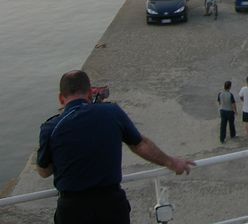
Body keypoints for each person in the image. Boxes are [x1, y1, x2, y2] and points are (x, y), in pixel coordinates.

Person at [35, 69, 194, 224]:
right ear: (90, 93)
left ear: (61, 98)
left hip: (72, 210)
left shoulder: (51, 128)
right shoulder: (112, 112)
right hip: (111, 205)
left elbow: (44, 172)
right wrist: (172, 162)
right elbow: (140, 144)